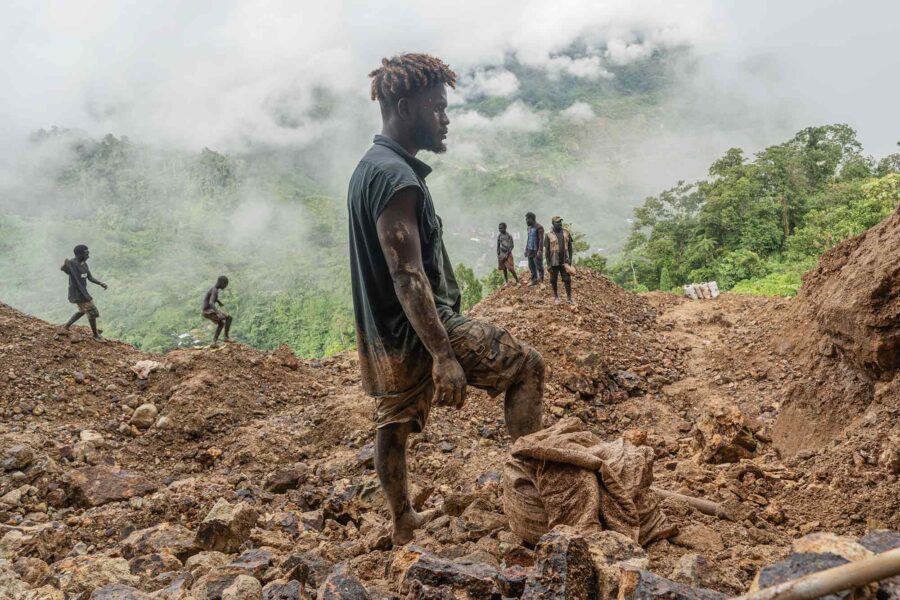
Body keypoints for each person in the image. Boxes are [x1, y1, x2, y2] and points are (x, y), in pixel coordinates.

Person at [348, 53, 545, 545]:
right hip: (425, 329)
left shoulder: (369, 170)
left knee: (392, 424)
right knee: (527, 367)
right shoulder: (397, 179)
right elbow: (409, 276)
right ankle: (533, 494)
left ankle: (402, 521)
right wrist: (443, 354)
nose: (446, 118)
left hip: (385, 338)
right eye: (437, 107)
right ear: (405, 105)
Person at [61, 244, 107, 341]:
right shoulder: (72, 263)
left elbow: (89, 277)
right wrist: (65, 265)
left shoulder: (84, 264)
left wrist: (100, 283)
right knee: (92, 311)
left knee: (82, 311)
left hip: (83, 291)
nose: (88, 257)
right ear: (79, 254)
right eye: (86, 254)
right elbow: (64, 268)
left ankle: (66, 327)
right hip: (77, 293)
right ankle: (95, 335)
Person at [544, 216, 575, 305]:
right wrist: (548, 264)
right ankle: (556, 297)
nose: (559, 224)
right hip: (554, 261)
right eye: (557, 222)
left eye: (560, 222)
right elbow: (546, 250)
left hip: (564, 261)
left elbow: (569, 246)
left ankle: (569, 298)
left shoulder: (566, 232)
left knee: (567, 280)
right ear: (553, 223)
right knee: (553, 280)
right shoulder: (548, 234)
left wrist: (570, 259)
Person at [202, 275, 232, 346]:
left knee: (221, 324)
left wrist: (218, 302)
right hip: (208, 311)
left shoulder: (214, 289)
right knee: (229, 318)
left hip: (206, 311)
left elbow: (212, 298)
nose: (225, 286)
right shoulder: (215, 290)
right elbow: (211, 302)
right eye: (225, 284)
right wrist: (218, 313)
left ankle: (214, 343)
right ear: (221, 283)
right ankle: (226, 337)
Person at [525, 212, 545, 286]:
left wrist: (540, 250)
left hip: (536, 250)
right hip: (530, 250)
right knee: (531, 266)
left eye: (527, 219)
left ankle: (542, 282)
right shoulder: (529, 228)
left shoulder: (539, 227)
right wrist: (526, 249)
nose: (526, 221)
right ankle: (534, 280)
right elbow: (529, 239)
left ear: (531, 219)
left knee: (539, 266)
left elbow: (541, 240)